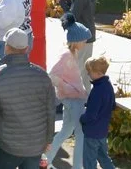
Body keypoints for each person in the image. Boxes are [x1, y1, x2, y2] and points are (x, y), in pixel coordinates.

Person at [0, 28, 55, 169]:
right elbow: (50, 110)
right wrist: (48, 139)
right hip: (35, 146)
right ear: (26, 48)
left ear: (6, 47)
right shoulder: (42, 75)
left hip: (7, 146)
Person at [46, 13, 91, 169]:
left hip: (73, 99)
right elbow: (51, 75)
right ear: (76, 40)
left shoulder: (71, 53)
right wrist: (68, 89)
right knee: (80, 135)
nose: (86, 42)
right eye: (84, 39)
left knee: (65, 131)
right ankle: (78, 166)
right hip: (74, 100)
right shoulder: (66, 55)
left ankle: (46, 160)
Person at [60, 0, 97, 92]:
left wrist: (65, 8)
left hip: (80, 36)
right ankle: (85, 97)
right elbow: (84, 9)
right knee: (84, 69)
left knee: (76, 69)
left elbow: (72, 18)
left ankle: (76, 98)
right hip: (89, 33)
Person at [81, 56, 116, 169]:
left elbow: (91, 115)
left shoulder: (97, 90)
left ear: (96, 72)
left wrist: (82, 118)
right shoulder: (108, 86)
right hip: (102, 131)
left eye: (89, 72)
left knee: (89, 162)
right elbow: (113, 105)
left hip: (92, 132)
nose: (88, 74)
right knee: (104, 158)